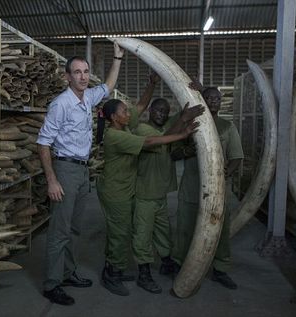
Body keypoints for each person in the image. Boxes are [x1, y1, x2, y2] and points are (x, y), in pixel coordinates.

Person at [36, 43, 125, 306]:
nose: (83, 76)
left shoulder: (87, 98)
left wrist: (118, 57)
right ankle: (52, 285)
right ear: (68, 76)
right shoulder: (60, 104)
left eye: (86, 71)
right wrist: (52, 179)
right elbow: (43, 143)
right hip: (65, 170)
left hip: (83, 170)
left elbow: (108, 86)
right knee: (60, 231)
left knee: (75, 229)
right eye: (77, 72)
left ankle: (68, 272)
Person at [96, 97, 199, 297]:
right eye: (125, 112)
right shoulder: (129, 132)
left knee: (126, 232)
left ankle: (114, 268)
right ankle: (114, 274)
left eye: (165, 111)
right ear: (114, 117)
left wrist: (152, 83)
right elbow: (153, 141)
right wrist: (184, 132)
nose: (129, 114)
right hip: (118, 193)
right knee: (123, 234)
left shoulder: (125, 128)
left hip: (132, 191)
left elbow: (142, 108)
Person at [171, 86, 244, 290]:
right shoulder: (191, 124)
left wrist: (223, 177)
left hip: (217, 192)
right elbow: (173, 153)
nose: (213, 101)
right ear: (201, 100)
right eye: (208, 98)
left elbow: (237, 157)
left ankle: (220, 269)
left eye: (217, 98)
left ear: (221, 102)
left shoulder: (227, 127)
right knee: (185, 226)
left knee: (220, 230)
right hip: (191, 188)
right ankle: (180, 264)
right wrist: (187, 150)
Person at [132, 98, 204, 293]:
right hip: (145, 194)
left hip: (160, 194)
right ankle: (143, 273)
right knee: (143, 235)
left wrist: (187, 149)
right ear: (150, 111)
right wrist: (183, 119)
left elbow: (170, 153)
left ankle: (166, 263)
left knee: (163, 231)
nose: (161, 114)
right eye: (158, 110)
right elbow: (163, 141)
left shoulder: (165, 132)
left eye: (165, 112)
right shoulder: (142, 130)